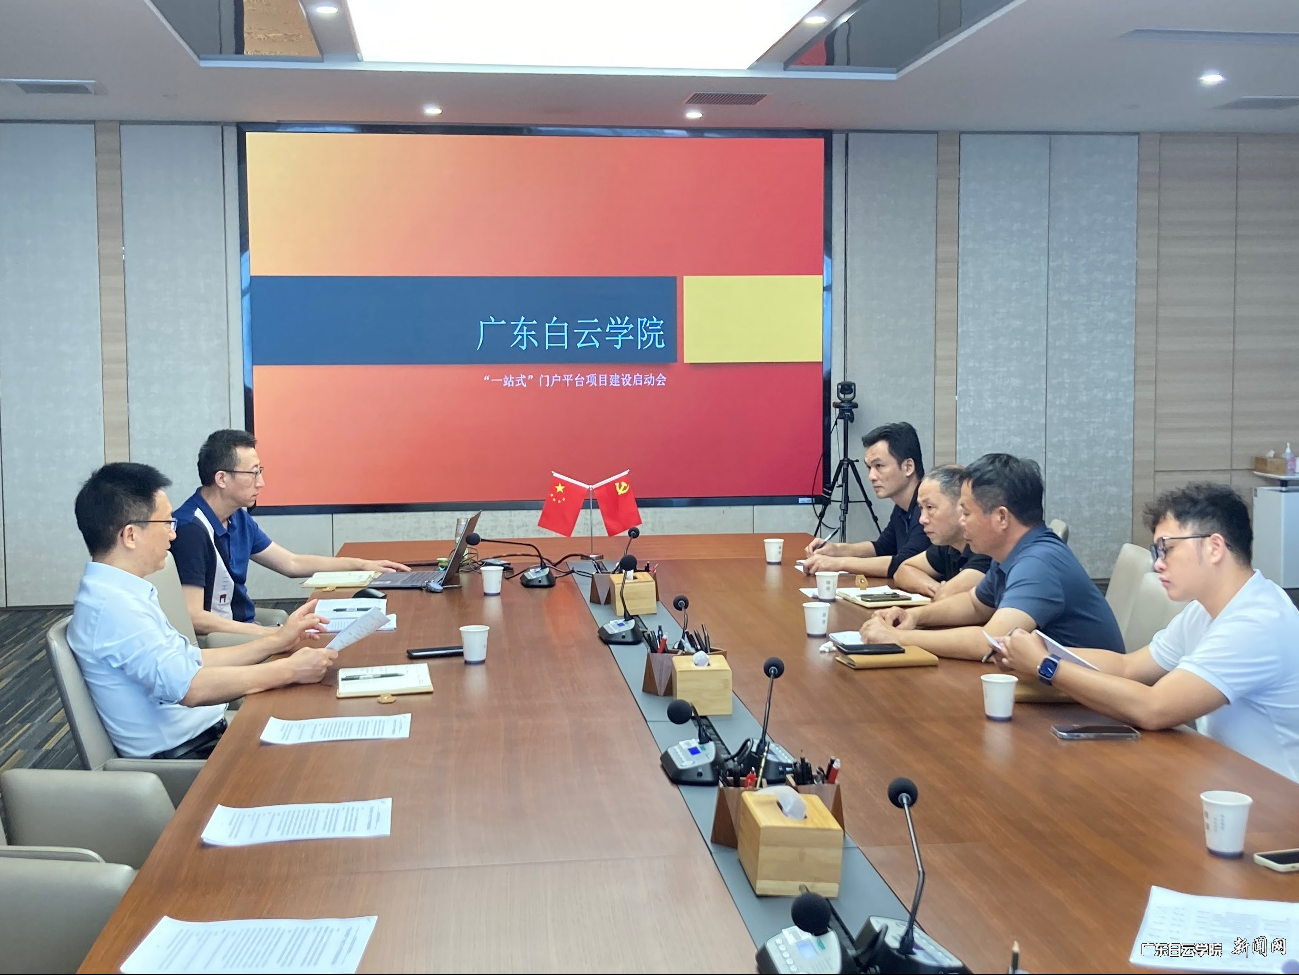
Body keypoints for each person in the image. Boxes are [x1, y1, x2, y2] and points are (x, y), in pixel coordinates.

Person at [994, 483, 1299, 782]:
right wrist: (1039, 650)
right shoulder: (1204, 610)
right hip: (1223, 777)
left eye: (1167, 549)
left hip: (1274, 800)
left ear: (1214, 547)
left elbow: (1155, 707)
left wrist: (1046, 665)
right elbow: (1128, 666)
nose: (1158, 564)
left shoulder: (1257, 622)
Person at [68, 462, 337, 760]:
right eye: (166, 523)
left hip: (209, 734)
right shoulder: (114, 609)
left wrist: (277, 641)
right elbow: (191, 689)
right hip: (189, 756)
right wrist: (290, 670)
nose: (173, 535)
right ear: (130, 535)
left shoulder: (122, 592)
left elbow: (192, 660)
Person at [860, 453, 1124, 659]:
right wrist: (915, 617)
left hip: (1083, 700)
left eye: (966, 513)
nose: (961, 522)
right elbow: (975, 604)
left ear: (1001, 517)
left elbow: (990, 641)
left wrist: (900, 638)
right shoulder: (1011, 553)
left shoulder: (1038, 563)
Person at [171, 430, 410, 638]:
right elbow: (194, 617)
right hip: (219, 642)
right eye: (253, 473)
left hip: (245, 628)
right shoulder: (191, 529)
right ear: (222, 478)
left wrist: (361, 566)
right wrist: (274, 634)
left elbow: (291, 563)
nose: (261, 483)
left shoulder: (237, 517)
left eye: (260, 471)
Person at [803, 421, 929, 579]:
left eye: (879, 466)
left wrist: (839, 563)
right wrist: (837, 549)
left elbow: (905, 563)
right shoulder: (902, 506)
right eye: (869, 468)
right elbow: (882, 547)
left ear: (908, 467)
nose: (871, 476)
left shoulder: (927, 508)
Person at [891, 464, 991, 599]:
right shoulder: (948, 545)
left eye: (930, 507)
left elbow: (949, 595)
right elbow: (903, 570)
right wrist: (935, 588)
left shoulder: (987, 548)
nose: (922, 519)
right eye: (921, 508)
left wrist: (944, 592)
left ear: (962, 507)